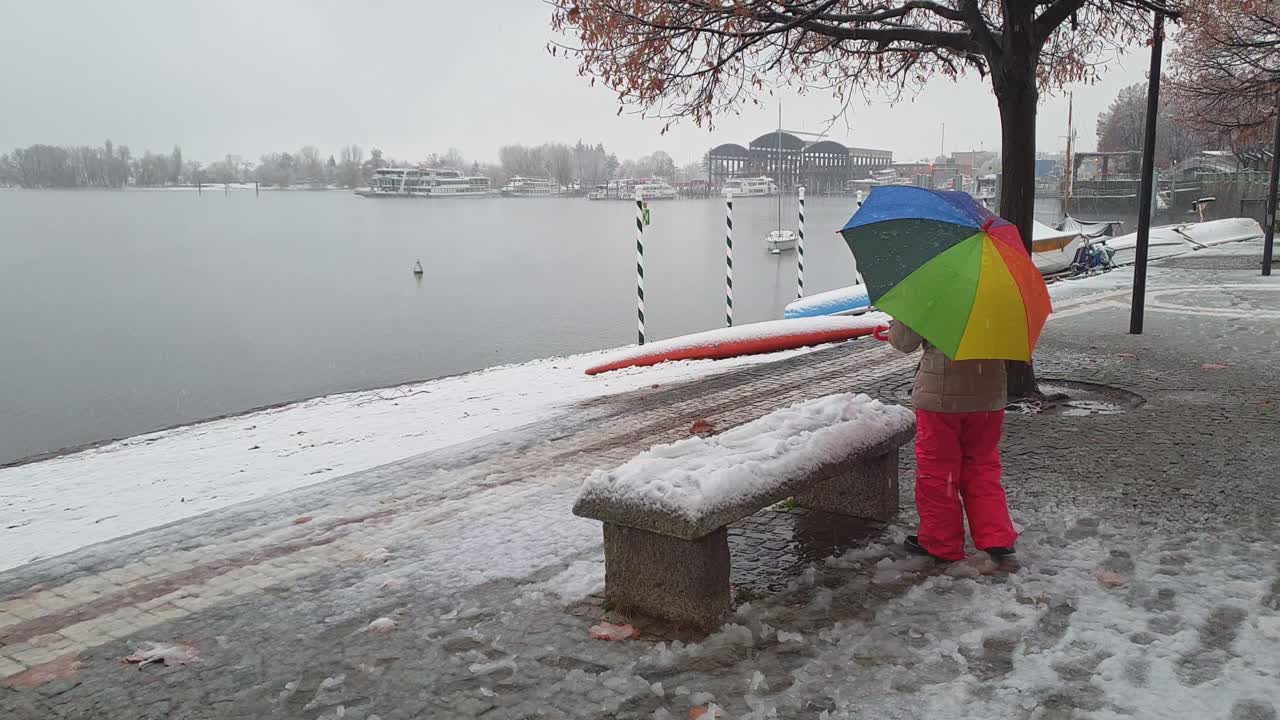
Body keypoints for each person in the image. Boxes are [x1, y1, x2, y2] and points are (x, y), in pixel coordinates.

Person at [887, 321, 1017, 562]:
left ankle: (941, 543)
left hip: (941, 401)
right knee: (982, 467)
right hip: (988, 399)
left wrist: (898, 321)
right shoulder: (996, 296)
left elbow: (904, 342)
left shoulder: (932, 292)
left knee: (937, 473)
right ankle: (996, 537)